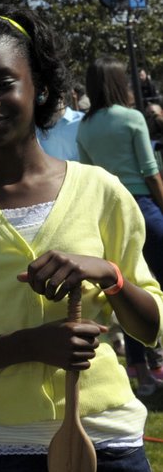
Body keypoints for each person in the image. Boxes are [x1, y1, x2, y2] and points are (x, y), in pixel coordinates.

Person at [0, 5, 163, 472]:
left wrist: (109, 274)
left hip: (109, 442)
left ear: (40, 86)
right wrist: (31, 345)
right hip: (8, 448)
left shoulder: (102, 191)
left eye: (3, 83)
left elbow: (151, 328)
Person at [76, 55, 163, 396]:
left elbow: (89, 177)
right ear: (118, 82)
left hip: (108, 214)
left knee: (124, 292)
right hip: (143, 208)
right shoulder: (132, 118)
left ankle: (141, 373)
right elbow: (150, 171)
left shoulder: (85, 126)